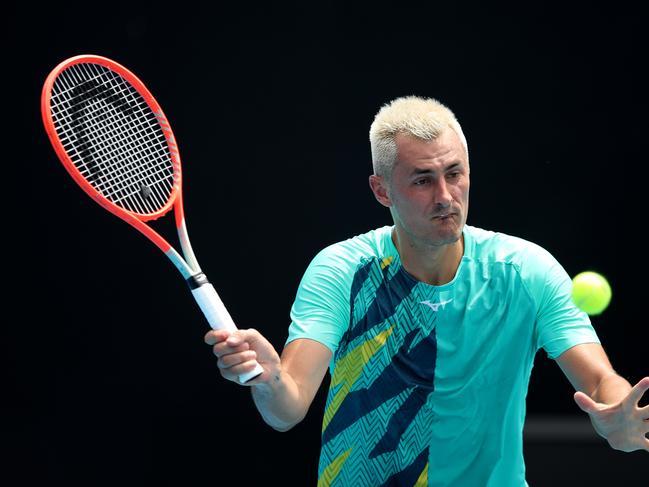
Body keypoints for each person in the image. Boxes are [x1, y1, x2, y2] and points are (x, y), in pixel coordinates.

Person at [204, 96, 649, 486]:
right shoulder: (341, 271)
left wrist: (617, 417)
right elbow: (288, 408)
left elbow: (598, 379)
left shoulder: (526, 271)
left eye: (454, 173)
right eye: (422, 180)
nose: (445, 196)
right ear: (381, 191)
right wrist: (267, 380)